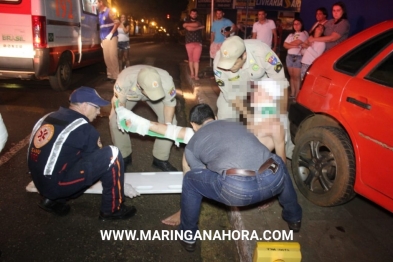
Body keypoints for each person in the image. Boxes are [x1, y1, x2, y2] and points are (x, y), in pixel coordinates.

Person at [177, 104, 302, 252]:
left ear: (193, 125)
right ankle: (294, 217)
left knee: (191, 180)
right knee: (278, 163)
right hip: (274, 178)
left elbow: (202, 174)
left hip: (238, 189)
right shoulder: (235, 123)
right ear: (215, 117)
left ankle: (188, 235)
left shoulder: (192, 144)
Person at [27, 87, 136, 219]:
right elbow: (100, 166)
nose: (98, 112)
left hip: (39, 181)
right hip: (56, 186)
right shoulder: (84, 129)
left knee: (68, 154)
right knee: (112, 154)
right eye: (96, 107)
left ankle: (52, 201)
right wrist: (121, 185)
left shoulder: (47, 117)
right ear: (85, 106)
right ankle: (112, 210)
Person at [109, 65, 178, 171]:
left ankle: (160, 158)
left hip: (159, 94)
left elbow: (170, 105)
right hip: (129, 95)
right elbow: (120, 104)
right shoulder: (124, 80)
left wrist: (167, 126)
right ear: (139, 86)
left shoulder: (166, 80)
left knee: (171, 122)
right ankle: (124, 156)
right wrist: (122, 118)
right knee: (115, 120)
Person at [283, 18, 308, 100]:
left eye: (298, 24)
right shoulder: (290, 35)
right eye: (295, 24)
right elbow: (284, 45)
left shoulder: (304, 33)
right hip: (289, 56)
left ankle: (297, 94)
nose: (296, 26)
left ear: (302, 24)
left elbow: (296, 42)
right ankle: (292, 93)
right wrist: (293, 46)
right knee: (291, 76)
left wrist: (289, 45)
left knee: (297, 77)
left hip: (298, 57)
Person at [97, 0, 120, 83]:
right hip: (104, 39)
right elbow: (102, 28)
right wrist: (101, 40)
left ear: (101, 3)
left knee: (112, 56)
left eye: (96, 2)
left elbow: (117, 23)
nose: (96, 4)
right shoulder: (100, 14)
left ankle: (116, 76)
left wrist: (111, 33)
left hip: (112, 37)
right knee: (106, 57)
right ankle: (110, 75)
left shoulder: (109, 11)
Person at [183, 9, 204, 80]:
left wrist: (195, 26)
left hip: (198, 42)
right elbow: (189, 29)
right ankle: (192, 73)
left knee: (196, 60)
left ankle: (196, 75)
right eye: (192, 14)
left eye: (195, 14)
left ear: (197, 15)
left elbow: (196, 24)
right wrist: (199, 28)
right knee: (190, 59)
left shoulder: (199, 20)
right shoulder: (187, 20)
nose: (194, 15)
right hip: (189, 42)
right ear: (190, 14)